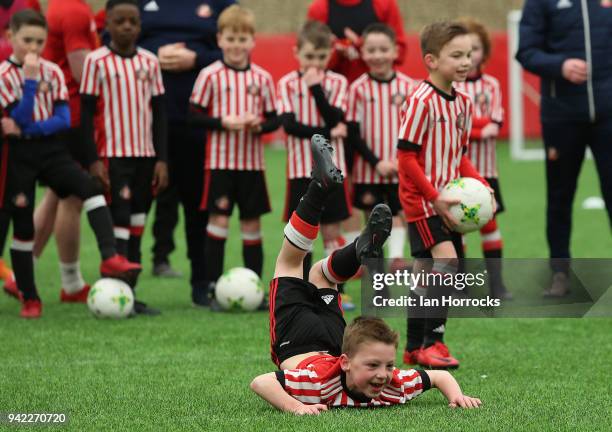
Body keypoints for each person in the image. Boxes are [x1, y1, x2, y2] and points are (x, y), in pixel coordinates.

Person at [250, 135, 482, 412]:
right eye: (373, 365)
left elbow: (262, 383)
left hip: (316, 343)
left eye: (388, 365)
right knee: (298, 267)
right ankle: (323, 198)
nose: (383, 374)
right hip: (316, 343)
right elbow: (261, 382)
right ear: (347, 363)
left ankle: (331, 209)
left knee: (309, 270)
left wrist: (456, 396)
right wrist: (294, 406)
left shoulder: (360, 383)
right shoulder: (344, 385)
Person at [0, 9, 141, 318]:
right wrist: (30, 83)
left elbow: (62, 120)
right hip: (17, 157)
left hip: (51, 151)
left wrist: (29, 127)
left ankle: (109, 258)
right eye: (26, 41)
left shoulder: (53, 71)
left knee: (89, 188)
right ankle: (29, 297)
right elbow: (20, 116)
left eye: (39, 42)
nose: (33, 49)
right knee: (23, 225)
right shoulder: (5, 76)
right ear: (11, 38)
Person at [396, 21, 493, 369]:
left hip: (450, 201)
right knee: (448, 264)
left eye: (468, 54)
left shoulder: (463, 103)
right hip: (423, 201)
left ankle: (412, 348)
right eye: (456, 55)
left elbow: (459, 155)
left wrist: (483, 186)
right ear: (432, 60)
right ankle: (433, 342)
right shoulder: (421, 101)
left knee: (426, 272)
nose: (466, 62)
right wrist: (433, 195)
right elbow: (405, 157)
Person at [137, 0, 235, 303]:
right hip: (142, 123)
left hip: (196, 123)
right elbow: (109, 39)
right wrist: (152, 56)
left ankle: (201, 282)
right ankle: (123, 283)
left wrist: (197, 58)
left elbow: (235, 48)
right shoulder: (136, 5)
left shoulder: (222, 5)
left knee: (197, 205)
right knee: (135, 206)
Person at [516, 0, 612, 297]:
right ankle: (560, 273)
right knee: (559, 196)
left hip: (609, 114)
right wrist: (560, 65)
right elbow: (526, 51)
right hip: (561, 114)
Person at [80, 0, 168, 315]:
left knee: (137, 224)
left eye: (133, 20)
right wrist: (92, 160)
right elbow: (86, 114)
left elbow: (159, 114)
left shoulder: (149, 61)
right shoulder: (96, 61)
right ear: (108, 25)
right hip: (114, 157)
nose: (127, 26)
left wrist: (162, 159)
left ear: (140, 25)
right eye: (120, 21)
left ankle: (130, 294)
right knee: (119, 220)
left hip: (145, 157)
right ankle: (113, 292)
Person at [189, 4, 279, 306]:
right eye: (231, 39)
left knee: (251, 226)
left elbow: (275, 118)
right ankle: (213, 287)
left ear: (252, 41)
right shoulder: (210, 75)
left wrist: (260, 125)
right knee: (218, 222)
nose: (236, 45)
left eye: (242, 39)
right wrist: (221, 122)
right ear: (220, 40)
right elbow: (193, 115)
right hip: (220, 164)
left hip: (252, 165)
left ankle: (255, 290)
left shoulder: (262, 78)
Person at [28, 0, 101, 304]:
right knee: (72, 196)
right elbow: (82, 69)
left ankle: (22, 273)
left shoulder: (65, 6)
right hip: (73, 117)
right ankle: (71, 283)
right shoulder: (73, 9)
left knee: (56, 194)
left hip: (65, 115)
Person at [276, 20, 354, 308]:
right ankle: (302, 290)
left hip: (332, 171)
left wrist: (317, 89)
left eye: (321, 57)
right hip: (301, 170)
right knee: (301, 232)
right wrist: (325, 131)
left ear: (330, 54)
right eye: (309, 57)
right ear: (297, 52)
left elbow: (335, 118)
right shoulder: (286, 83)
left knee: (333, 232)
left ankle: (337, 289)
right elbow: (289, 125)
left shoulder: (337, 83)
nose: (315, 63)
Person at [345, 23, 415, 272]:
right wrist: (376, 162)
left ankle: (397, 258)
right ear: (362, 53)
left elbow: (415, 130)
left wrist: (400, 161)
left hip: (400, 168)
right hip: (369, 169)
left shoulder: (410, 87)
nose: (377, 56)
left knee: (397, 213)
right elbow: (353, 134)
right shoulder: (357, 89)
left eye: (383, 49)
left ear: (395, 51)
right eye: (371, 50)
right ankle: (378, 282)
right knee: (373, 222)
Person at [453, 18, 511, 300]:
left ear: (483, 52)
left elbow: (493, 126)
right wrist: (478, 125)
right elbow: (460, 127)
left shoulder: (491, 85)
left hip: (485, 170)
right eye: (463, 51)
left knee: (490, 225)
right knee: (457, 228)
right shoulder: (451, 86)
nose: (469, 56)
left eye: (474, 49)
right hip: (455, 173)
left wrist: (475, 127)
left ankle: (497, 284)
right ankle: (461, 285)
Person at [0, 0, 41, 284]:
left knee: (13, 211)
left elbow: (21, 120)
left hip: (14, 149)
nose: (33, 47)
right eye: (27, 40)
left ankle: (18, 280)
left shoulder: (28, 7)